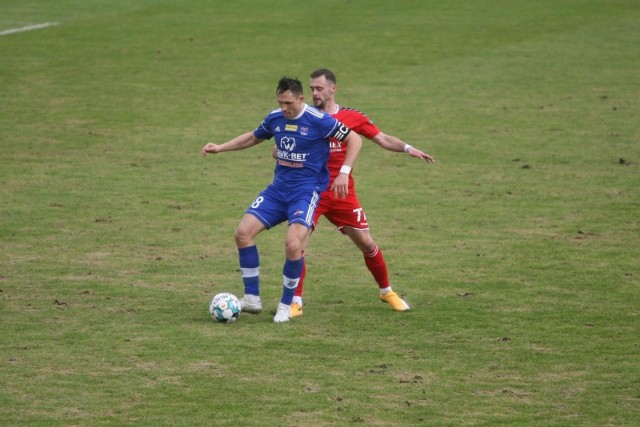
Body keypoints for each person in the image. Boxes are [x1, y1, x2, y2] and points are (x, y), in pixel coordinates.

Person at [202, 76, 362, 323]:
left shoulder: (319, 120)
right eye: (280, 102)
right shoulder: (275, 118)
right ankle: (252, 299)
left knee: (292, 245)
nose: (284, 108)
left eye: (288, 103)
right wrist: (221, 147)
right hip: (277, 191)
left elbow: (355, 139)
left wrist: (344, 172)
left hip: (305, 193)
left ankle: (286, 305)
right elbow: (254, 137)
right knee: (242, 233)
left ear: (301, 99)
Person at [289, 68, 435, 318]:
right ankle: (295, 301)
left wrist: (408, 148)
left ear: (333, 89)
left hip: (343, 194)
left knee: (366, 243)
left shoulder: (351, 117)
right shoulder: (303, 117)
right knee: (297, 243)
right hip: (310, 192)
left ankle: (386, 291)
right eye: (311, 88)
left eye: (319, 88)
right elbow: (281, 147)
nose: (314, 93)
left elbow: (382, 138)